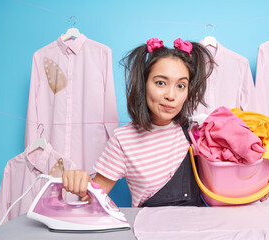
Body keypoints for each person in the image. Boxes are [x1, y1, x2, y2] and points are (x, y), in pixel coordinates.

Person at [63, 38, 215, 207]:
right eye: (160, 83)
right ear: (143, 84)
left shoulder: (195, 131)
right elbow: (92, 198)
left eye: (181, 85)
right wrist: (80, 183)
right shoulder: (123, 139)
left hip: (196, 229)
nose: (171, 96)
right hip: (149, 230)